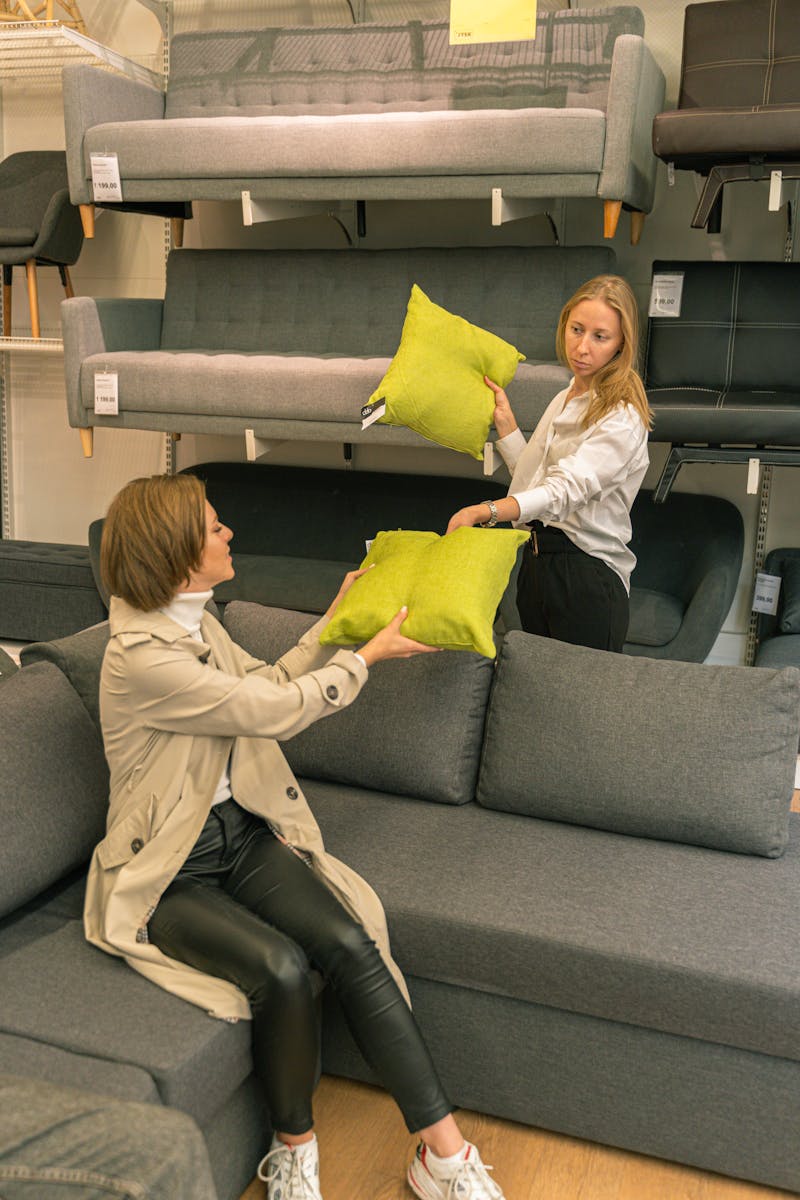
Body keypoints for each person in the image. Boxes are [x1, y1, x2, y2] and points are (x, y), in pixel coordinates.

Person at [84, 473, 506, 1200]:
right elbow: (272, 710)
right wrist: (363, 657)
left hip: (238, 836)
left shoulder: (195, 620)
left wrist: (334, 620)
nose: (229, 535)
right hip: (169, 869)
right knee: (280, 969)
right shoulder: (142, 658)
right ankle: (294, 1154)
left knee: (348, 943)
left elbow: (268, 678)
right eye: (215, 528)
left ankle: (445, 1157)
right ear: (180, 555)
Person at [447, 274, 652, 652]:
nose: (582, 347)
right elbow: (537, 479)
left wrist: (487, 511)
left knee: (581, 706)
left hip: (587, 575)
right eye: (576, 329)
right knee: (536, 699)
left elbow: (564, 490)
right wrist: (507, 425)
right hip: (537, 564)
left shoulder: (622, 415)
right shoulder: (565, 397)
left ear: (622, 344)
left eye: (599, 336)